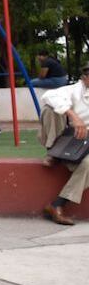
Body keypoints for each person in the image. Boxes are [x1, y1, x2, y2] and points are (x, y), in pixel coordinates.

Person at [38, 65, 89, 226]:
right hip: (63, 137)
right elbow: (49, 96)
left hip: (83, 144)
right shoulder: (73, 90)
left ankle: (56, 205)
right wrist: (73, 116)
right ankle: (53, 153)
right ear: (85, 78)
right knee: (51, 109)